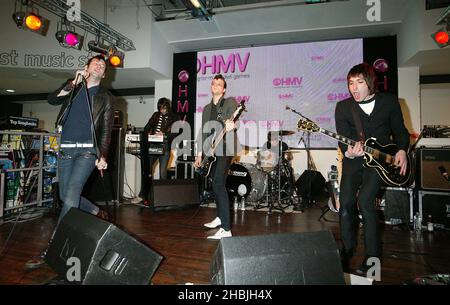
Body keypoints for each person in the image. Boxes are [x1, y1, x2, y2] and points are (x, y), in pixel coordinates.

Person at [25, 55, 114, 269]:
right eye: (96, 63)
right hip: (65, 149)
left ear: (104, 74)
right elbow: (52, 99)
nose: (100, 66)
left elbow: (106, 131)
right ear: (86, 68)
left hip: (86, 152)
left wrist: (102, 155)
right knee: (65, 195)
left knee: (71, 195)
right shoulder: (73, 89)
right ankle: (93, 210)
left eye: (103, 66)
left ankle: (54, 245)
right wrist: (72, 82)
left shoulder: (106, 97)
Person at [335, 63, 409, 276]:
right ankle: (347, 250)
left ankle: (372, 259)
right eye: (351, 83)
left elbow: (400, 131)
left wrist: (402, 150)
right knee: (346, 203)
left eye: (359, 82)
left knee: (366, 202)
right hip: (353, 161)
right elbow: (343, 138)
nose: (354, 88)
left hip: (379, 163)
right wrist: (348, 152)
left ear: (370, 83)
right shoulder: (343, 107)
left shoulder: (389, 102)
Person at [194, 74, 238, 240]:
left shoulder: (229, 102)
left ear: (224, 89)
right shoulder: (206, 109)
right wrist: (199, 154)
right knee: (214, 184)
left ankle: (226, 229)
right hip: (211, 152)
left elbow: (234, 117)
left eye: (219, 84)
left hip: (226, 147)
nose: (215, 85)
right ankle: (220, 217)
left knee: (219, 183)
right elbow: (203, 132)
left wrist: (232, 124)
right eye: (213, 83)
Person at [133, 97, 177, 203]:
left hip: (165, 147)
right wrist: (147, 133)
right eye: (160, 108)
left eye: (164, 108)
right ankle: (142, 195)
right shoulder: (155, 115)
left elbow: (175, 132)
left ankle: (163, 198)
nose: (162, 110)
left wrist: (165, 134)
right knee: (147, 171)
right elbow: (146, 127)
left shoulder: (174, 117)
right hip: (152, 146)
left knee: (163, 174)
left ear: (168, 107)